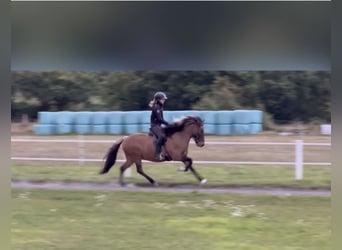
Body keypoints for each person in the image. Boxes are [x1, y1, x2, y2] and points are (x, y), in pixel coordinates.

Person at [149, 91, 169, 160]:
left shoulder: (160, 107)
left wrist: (167, 125)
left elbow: (162, 119)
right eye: (162, 99)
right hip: (154, 126)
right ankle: (157, 154)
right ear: (158, 100)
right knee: (162, 136)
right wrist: (168, 124)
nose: (164, 100)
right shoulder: (156, 107)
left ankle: (165, 152)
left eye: (164, 99)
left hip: (159, 125)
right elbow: (160, 119)